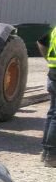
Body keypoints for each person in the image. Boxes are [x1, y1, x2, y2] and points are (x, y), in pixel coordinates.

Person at [36, 25, 56, 167]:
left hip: (53, 74)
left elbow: (41, 42)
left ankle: (46, 152)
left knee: (52, 113)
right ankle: (52, 156)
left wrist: (49, 62)